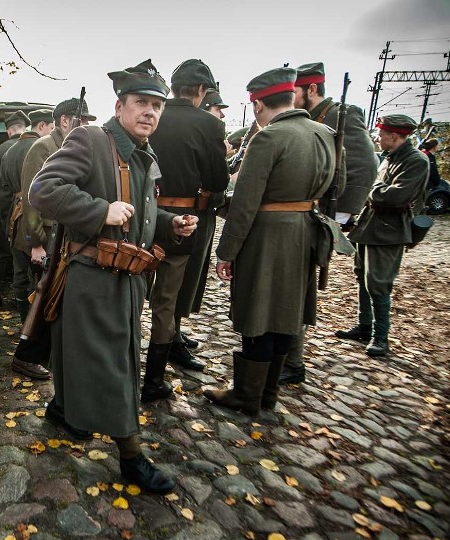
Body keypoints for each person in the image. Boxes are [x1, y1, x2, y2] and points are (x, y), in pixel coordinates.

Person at [29, 60, 198, 494]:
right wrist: (98, 211)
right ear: (120, 106)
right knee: (119, 369)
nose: (151, 113)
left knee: (88, 353)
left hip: (125, 277)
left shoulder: (141, 153)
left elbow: (136, 213)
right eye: (142, 103)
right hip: (93, 278)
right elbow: (42, 190)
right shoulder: (90, 138)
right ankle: (131, 456)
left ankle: (63, 409)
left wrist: (167, 223)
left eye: (158, 106)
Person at [203, 67, 335, 415]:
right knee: (286, 313)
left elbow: (245, 203)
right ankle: (268, 392)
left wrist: (226, 251)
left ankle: (247, 395)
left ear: (258, 104)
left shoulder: (268, 137)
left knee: (258, 311)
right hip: (306, 231)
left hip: (268, 234)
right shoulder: (325, 133)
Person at [280, 62, 380, 384]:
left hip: (317, 216)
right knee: (292, 288)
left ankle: (293, 362)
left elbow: (366, 165)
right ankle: (287, 356)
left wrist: (340, 215)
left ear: (311, 89)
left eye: (294, 91)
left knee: (298, 290)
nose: (288, 97)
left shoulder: (341, 115)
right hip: (299, 216)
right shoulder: (304, 119)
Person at [144, 59, 229, 402]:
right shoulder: (209, 125)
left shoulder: (153, 115)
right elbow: (217, 180)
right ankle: (152, 381)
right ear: (199, 91)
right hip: (186, 221)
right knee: (169, 298)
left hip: (144, 215)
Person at [9, 97, 96, 381]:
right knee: (41, 296)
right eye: (81, 120)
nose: (85, 126)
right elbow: (31, 198)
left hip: (59, 237)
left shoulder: (70, 147)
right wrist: (36, 244)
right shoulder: (42, 147)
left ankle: (43, 352)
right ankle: (25, 355)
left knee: (51, 297)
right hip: (41, 236)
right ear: (64, 121)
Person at [335, 114, 429, 357]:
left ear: (394, 136)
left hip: (390, 231)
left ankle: (380, 337)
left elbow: (394, 195)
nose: (377, 138)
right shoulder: (390, 158)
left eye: (381, 134)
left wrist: (372, 190)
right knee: (363, 277)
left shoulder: (416, 160)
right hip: (370, 226)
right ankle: (365, 327)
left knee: (378, 282)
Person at [0, 108, 54, 322]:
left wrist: (4, 219)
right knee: (39, 274)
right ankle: (34, 324)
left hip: (15, 217)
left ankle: (25, 322)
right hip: (36, 216)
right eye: (51, 127)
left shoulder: (8, 151)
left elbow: (2, 190)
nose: (53, 131)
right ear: (41, 126)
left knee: (20, 274)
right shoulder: (42, 148)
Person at [0, 111, 29, 307]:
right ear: (24, 128)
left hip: (10, 209)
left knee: (1, 253)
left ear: (8, 130)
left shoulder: (2, 149)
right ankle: (28, 297)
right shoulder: (35, 145)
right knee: (28, 254)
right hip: (32, 210)